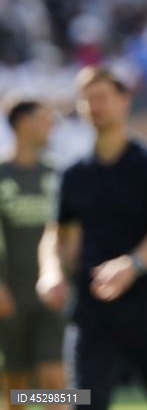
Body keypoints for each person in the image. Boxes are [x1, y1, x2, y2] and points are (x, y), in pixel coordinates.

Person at [35, 68, 147, 410]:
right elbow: (58, 235)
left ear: (124, 101)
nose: (95, 106)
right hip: (92, 306)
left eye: (103, 97)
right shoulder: (73, 172)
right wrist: (51, 272)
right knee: (81, 400)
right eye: (87, 99)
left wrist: (131, 265)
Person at [0, 100, 67, 410]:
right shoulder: (2, 174)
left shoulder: (57, 174)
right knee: (15, 389)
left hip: (50, 294)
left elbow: (69, 232)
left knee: (57, 381)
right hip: (9, 297)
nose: (52, 125)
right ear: (24, 123)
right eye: (45, 118)